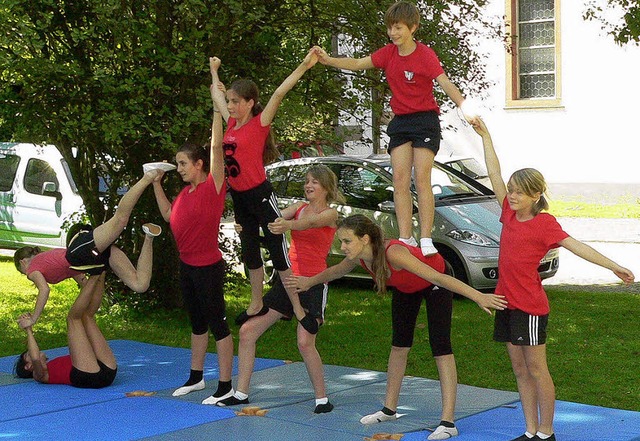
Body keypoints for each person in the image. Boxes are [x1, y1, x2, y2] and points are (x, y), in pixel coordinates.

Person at [472, 119, 634, 441]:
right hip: (505, 301)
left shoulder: (545, 224)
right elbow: (494, 173)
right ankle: (530, 431)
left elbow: (577, 246)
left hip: (530, 307)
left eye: (519, 192)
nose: (512, 195)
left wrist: (613, 266)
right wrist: (486, 137)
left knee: (536, 369)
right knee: (519, 371)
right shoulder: (507, 212)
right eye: (512, 190)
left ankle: (547, 432)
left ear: (535, 195)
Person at [287, 214, 507, 440]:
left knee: (441, 347)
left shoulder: (394, 253)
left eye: (346, 241)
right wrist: (309, 282)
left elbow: (437, 278)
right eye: (341, 241)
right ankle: (389, 410)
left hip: (437, 281)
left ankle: (448, 422)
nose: (342, 247)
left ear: (364, 239)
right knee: (399, 346)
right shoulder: (362, 256)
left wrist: (478, 296)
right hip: (406, 287)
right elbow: (337, 271)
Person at [313, 1, 479, 257]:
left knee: (421, 179)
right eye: (390, 28)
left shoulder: (425, 55)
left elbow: (445, 83)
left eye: (398, 28)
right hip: (401, 122)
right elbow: (358, 63)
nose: (393, 33)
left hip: (425, 120)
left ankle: (425, 237)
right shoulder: (388, 54)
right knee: (400, 180)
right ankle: (405, 237)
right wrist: (328, 60)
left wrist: (465, 107)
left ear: (413, 27)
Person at [211, 164, 342, 412]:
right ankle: (241, 394)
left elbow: (311, 223)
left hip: (313, 283)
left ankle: (322, 399)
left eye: (314, 182)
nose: (308, 185)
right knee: (248, 332)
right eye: (306, 181)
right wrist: (247, 226)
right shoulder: (298, 209)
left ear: (326, 187)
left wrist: (287, 226)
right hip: (288, 281)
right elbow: (272, 219)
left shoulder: (330, 214)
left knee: (305, 342)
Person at [209, 50, 319, 330]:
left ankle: (296, 307)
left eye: (236, 102)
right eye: (230, 101)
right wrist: (214, 70)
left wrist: (304, 65)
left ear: (250, 102)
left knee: (278, 250)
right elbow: (216, 96)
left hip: (259, 194)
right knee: (249, 251)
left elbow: (280, 92)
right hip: (241, 197)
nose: (230, 106)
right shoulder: (231, 122)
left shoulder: (259, 124)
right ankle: (256, 303)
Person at [150, 63, 233, 402]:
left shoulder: (213, 185)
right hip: (187, 266)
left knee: (218, 326)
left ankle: (226, 386)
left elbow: (216, 148)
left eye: (183, 163)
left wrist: (217, 112)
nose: (179, 168)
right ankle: (196, 377)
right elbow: (169, 215)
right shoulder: (184, 194)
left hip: (208, 267)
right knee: (197, 324)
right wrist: (156, 184)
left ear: (198, 164)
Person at [14, 171, 162, 327]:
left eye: (21, 271)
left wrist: (33, 319)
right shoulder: (52, 264)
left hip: (80, 250)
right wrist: (89, 313)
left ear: (23, 262)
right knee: (140, 285)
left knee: (120, 220)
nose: (26, 275)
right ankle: (149, 236)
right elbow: (86, 285)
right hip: (91, 258)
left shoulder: (32, 270)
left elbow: (44, 290)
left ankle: (147, 177)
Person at [15, 273, 118, 389]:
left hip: (107, 370)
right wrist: (28, 329)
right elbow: (35, 358)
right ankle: (95, 274)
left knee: (87, 316)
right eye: (28, 354)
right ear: (28, 366)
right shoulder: (39, 375)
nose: (35, 352)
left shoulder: (52, 364)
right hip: (89, 377)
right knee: (73, 318)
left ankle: (101, 270)